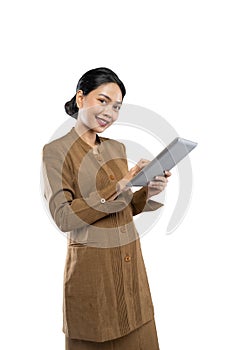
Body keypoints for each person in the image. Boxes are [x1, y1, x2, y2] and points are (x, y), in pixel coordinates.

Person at [42, 67, 171, 350]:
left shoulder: (117, 149)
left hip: (132, 273)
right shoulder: (55, 152)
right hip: (93, 280)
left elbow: (121, 206)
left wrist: (146, 192)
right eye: (102, 101)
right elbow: (64, 217)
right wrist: (119, 185)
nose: (110, 113)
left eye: (117, 107)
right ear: (80, 98)